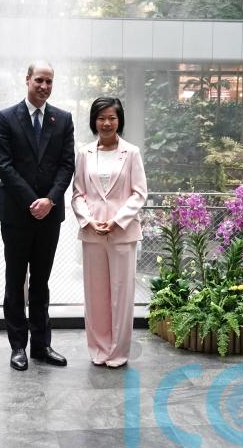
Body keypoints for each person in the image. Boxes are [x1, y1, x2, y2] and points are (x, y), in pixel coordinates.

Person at [0, 61, 75, 371]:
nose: (44, 86)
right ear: (27, 80)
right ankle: (18, 348)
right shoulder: (6, 118)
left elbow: (67, 165)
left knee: (41, 283)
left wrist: (50, 200)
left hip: (49, 217)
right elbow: (4, 166)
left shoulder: (63, 119)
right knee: (16, 283)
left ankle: (41, 345)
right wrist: (33, 201)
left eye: (49, 81)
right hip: (17, 216)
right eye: (39, 80)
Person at [71, 97, 147, 368]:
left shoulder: (132, 153)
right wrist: (88, 221)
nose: (106, 123)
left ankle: (118, 352)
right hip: (92, 234)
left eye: (112, 118)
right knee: (95, 295)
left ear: (119, 121)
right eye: (101, 118)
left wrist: (118, 220)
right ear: (94, 121)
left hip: (122, 233)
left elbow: (139, 194)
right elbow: (77, 194)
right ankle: (99, 350)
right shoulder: (84, 153)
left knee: (122, 293)